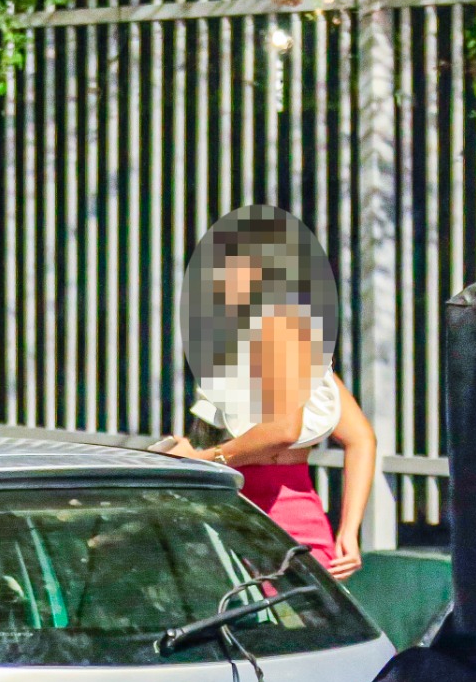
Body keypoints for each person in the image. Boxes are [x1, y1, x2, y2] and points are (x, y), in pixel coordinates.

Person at [157, 206, 378, 580]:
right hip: (272, 519)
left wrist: (203, 459)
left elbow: (282, 429)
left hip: (271, 525)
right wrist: (348, 532)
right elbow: (362, 439)